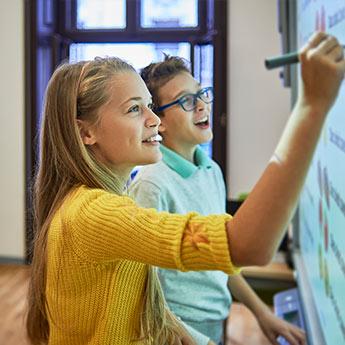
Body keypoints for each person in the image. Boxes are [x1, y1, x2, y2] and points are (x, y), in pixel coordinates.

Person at [26, 31, 344, 345]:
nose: (154, 120)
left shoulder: (106, 200)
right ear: (86, 133)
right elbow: (247, 246)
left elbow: (145, 307)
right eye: (134, 109)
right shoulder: (96, 213)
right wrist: (312, 107)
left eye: (150, 106)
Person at [129, 54, 306, 345]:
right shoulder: (152, 185)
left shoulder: (211, 170)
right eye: (186, 100)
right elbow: (144, 294)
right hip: (177, 332)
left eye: (201, 93)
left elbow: (221, 257)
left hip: (216, 320)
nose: (201, 105)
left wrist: (262, 313)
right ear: (158, 122)